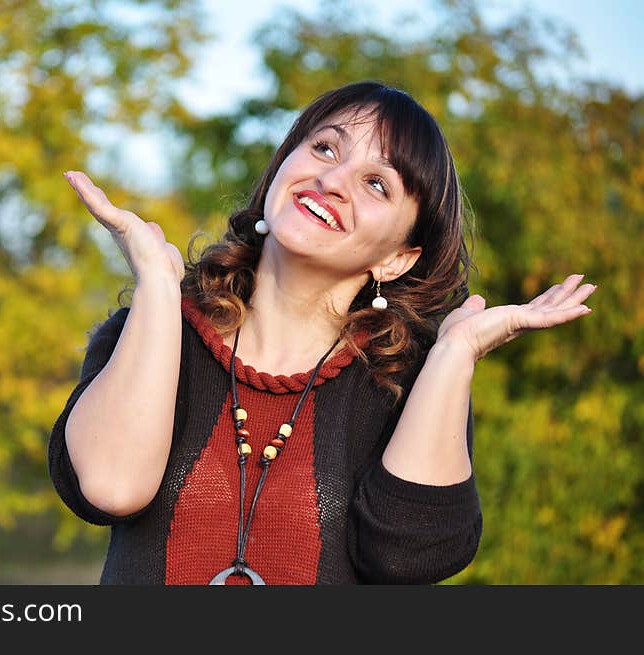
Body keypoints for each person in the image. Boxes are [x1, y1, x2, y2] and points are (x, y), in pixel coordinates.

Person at [48, 81, 596, 585]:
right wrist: (159, 289)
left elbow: (408, 555)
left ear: (399, 258)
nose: (332, 181)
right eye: (325, 148)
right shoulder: (151, 328)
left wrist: (455, 353)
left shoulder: (404, 382)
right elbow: (111, 488)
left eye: (377, 184)